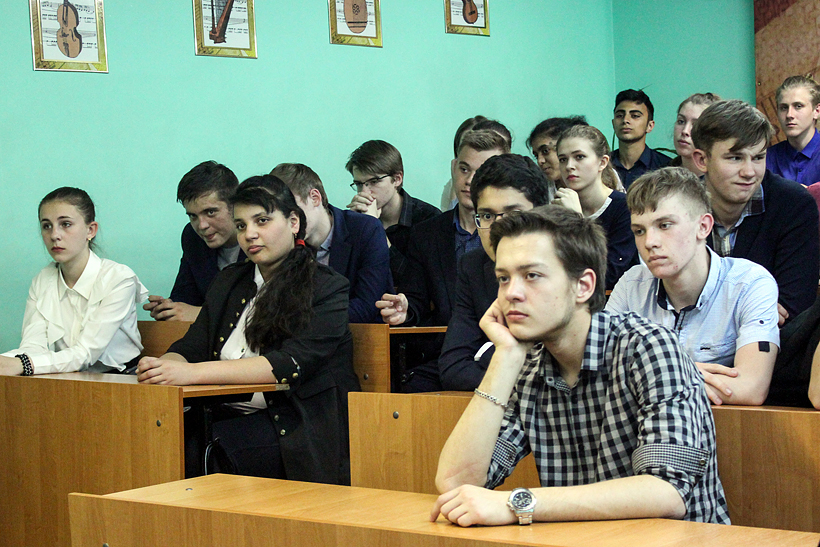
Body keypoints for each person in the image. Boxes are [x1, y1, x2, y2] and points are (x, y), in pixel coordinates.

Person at [431, 206, 729, 526]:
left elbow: (667, 492)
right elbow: (456, 483)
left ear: (584, 286)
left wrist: (517, 503)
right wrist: (505, 357)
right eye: (504, 278)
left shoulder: (649, 347)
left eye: (532, 276)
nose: (511, 293)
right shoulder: (526, 366)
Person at [137, 175, 359, 485]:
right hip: (224, 411)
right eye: (241, 226)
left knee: (203, 446)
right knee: (148, 433)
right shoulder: (231, 279)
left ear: (293, 222)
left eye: (262, 221)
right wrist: (162, 367)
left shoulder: (327, 286)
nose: (250, 234)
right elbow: (191, 347)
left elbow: (286, 365)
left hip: (296, 423)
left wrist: (189, 373)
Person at [606, 167, 779, 406]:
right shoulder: (631, 284)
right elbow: (600, 380)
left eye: (664, 225)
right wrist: (684, 374)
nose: (649, 242)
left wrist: (647, 378)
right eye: (639, 231)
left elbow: (751, 387)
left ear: (703, 227)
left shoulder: (749, 283)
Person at [376, 130, 510, 391]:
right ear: (453, 167)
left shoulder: (515, 232)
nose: (469, 180)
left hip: (503, 348)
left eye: (482, 172)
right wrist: (406, 308)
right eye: (464, 169)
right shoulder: (427, 233)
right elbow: (416, 297)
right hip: (448, 352)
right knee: (407, 389)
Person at [691, 99, 820, 323]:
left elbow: (793, 307)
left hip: (774, 342)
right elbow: (670, 300)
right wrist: (755, 310)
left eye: (758, 157)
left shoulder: (794, 205)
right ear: (702, 160)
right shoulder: (678, 206)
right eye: (735, 158)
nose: (749, 172)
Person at [1, 187, 147, 376]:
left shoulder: (119, 279)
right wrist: (11, 360)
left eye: (66, 224)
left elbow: (85, 353)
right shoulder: (42, 280)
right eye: (46, 226)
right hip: (64, 376)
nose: (54, 235)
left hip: (119, 380)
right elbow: (32, 347)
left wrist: (24, 364)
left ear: (90, 230)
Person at [438, 154, 554, 391]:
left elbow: (564, 365)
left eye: (514, 214)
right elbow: (453, 367)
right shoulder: (473, 266)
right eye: (487, 216)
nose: (499, 228)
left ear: (541, 214)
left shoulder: (565, 265)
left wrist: (491, 359)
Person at [271, 162, 392, 323]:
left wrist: (301, 320)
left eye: (291, 211)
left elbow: (367, 306)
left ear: (315, 198)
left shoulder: (365, 229)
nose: (288, 221)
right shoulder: (282, 241)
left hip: (359, 334)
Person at [144, 161, 245, 322]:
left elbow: (261, 311)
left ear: (235, 206)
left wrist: (201, 314)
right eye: (193, 216)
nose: (202, 225)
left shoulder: (259, 240)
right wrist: (169, 309)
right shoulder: (192, 237)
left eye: (210, 212)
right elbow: (185, 297)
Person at [553, 125, 638, 289]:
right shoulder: (559, 207)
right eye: (563, 159)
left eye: (579, 157)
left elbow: (610, 275)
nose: (569, 165)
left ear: (602, 162)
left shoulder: (625, 207)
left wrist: (577, 220)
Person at [345, 140, 439, 286]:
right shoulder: (356, 218)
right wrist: (351, 233)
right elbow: (345, 278)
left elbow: (416, 282)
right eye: (358, 184)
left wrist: (375, 230)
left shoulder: (429, 219)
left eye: (374, 181)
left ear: (397, 179)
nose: (364, 192)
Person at [611, 89, 671, 188]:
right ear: (613, 124)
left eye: (635, 116)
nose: (625, 120)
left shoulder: (666, 168)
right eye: (619, 115)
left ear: (650, 126)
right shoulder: (602, 165)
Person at [766, 75, 820, 186]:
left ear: (816, 111)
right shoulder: (767, 158)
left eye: (798, 106)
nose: (789, 115)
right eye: (784, 107)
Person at [526, 116, 588, 186]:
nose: (540, 161)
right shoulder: (543, 188)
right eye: (536, 156)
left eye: (545, 151)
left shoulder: (593, 187)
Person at [669, 93, 721, 175]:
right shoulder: (660, 175)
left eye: (696, 125)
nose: (685, 131)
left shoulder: (722, 180)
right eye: (681, 121)